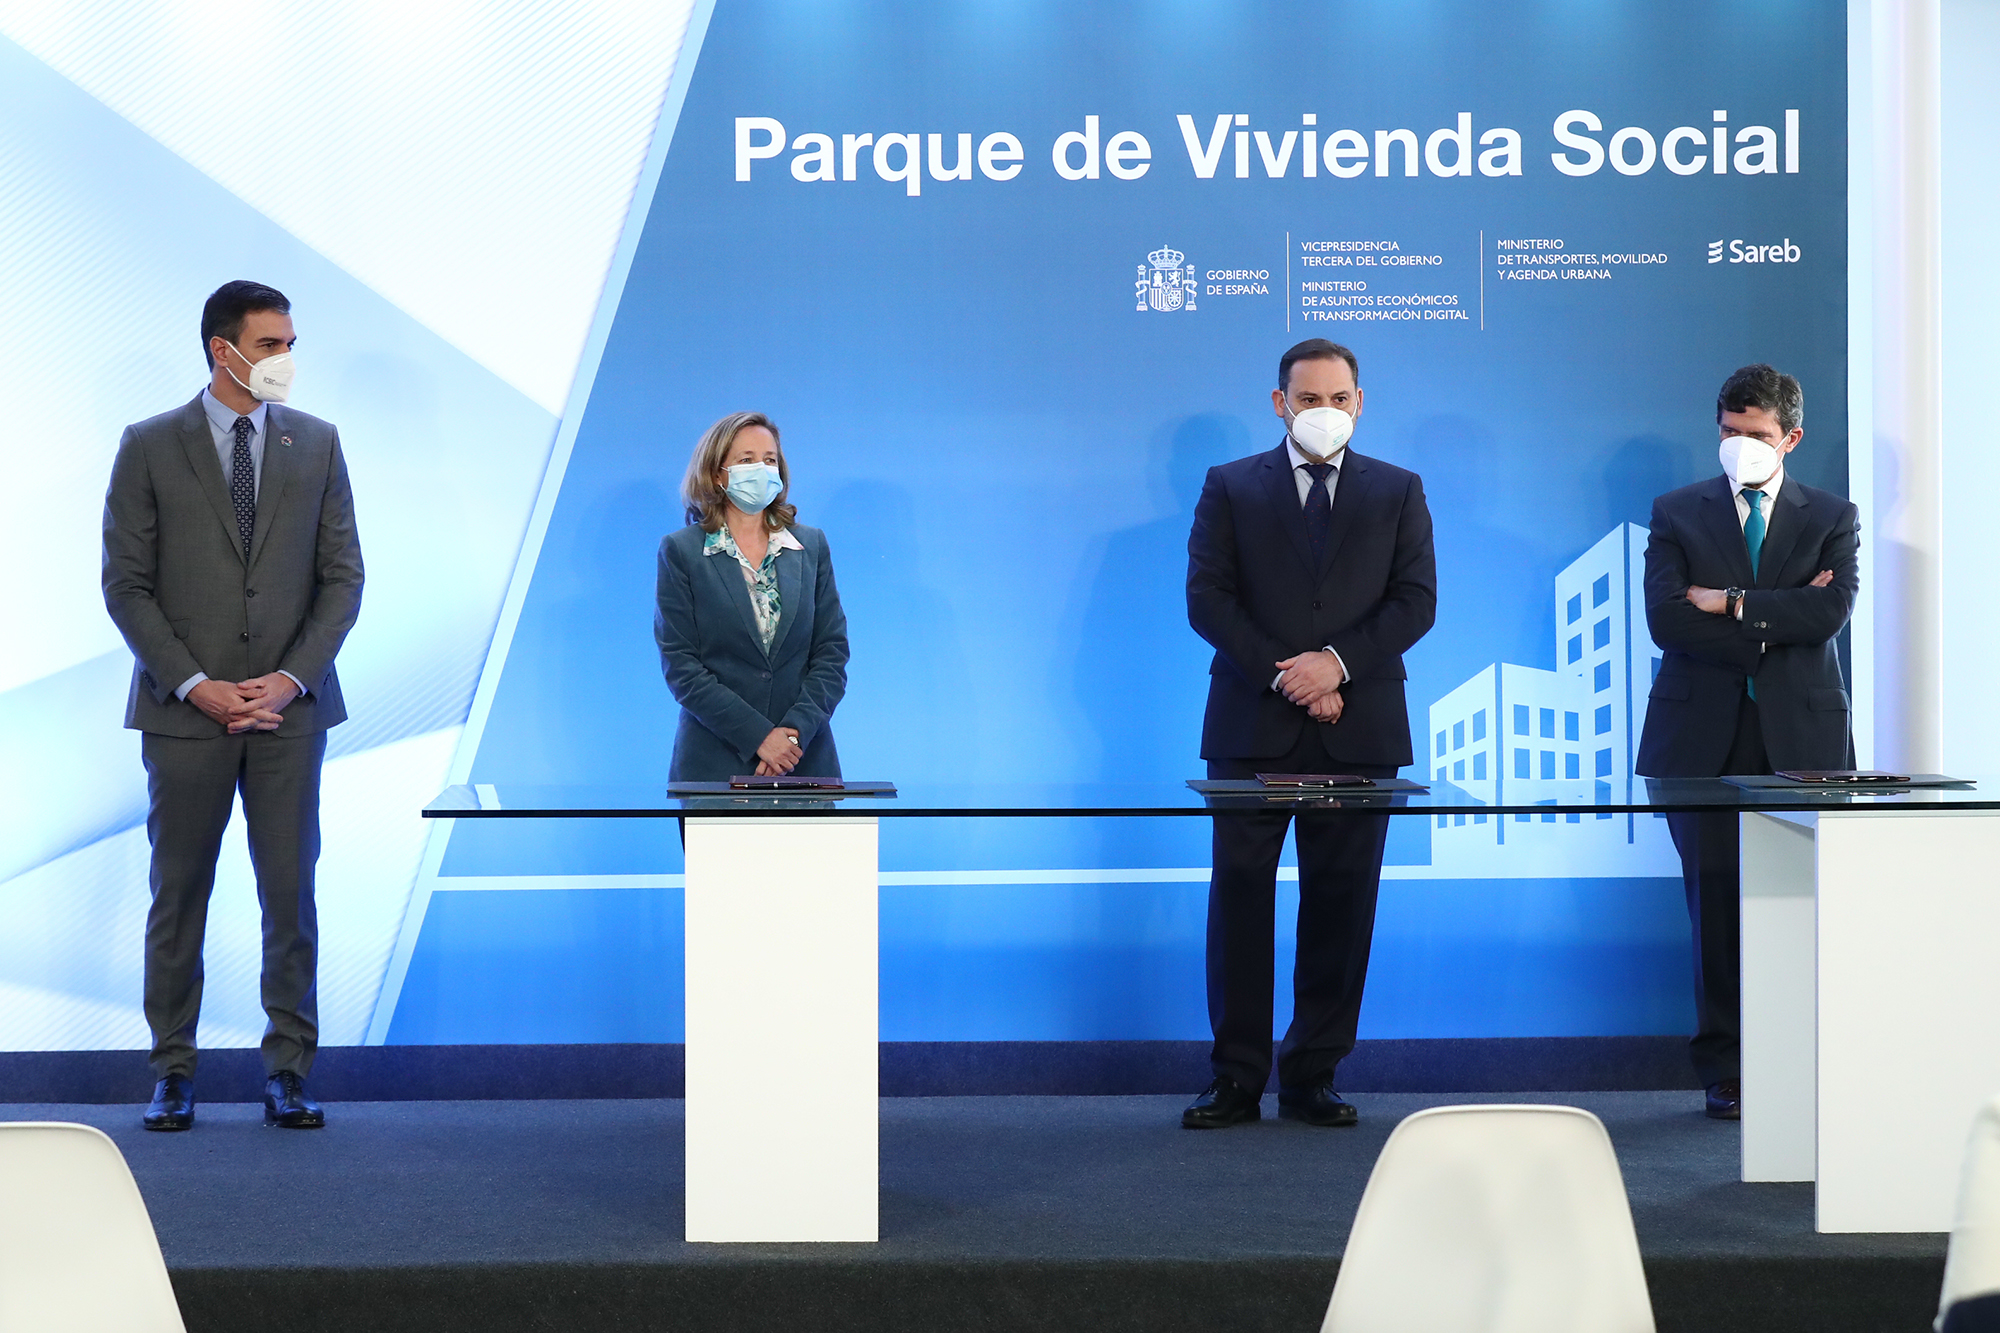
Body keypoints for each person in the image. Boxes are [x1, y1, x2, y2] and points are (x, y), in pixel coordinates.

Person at [102, 280, 364, 1131]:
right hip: (185, 716)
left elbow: (343, 579)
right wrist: (196, 683)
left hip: (290, 715)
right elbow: (127, 585)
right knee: (178, 896)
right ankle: (172, 1069)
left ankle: (288, 1068)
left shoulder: (316, 444)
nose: (287, 358)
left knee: (290, 897)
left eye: (291, 342)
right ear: (227, 350)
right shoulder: (148, 446)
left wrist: (289, 680)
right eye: (274, 344)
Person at [1182, 339, 1437, 1129]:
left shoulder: (1399, 490)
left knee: (1341, 906)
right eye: (1307, 398)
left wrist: (1335, 666)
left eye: (1338, 398)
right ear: (1279, 401)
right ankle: (1236, 1076)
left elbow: (1415, 601)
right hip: (1252, 725)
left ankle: (1313, 1073)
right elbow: (1208, 599)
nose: (1323, 411)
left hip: (1360, 729)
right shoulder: (1230, 486)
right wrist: (1288, 674)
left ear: (1359, 401)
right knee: (1240, 906)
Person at [1636, 363, 1859, 1120]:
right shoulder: (1677, 511)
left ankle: (1807, 1057)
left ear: (1791, 436)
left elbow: (1830, 619)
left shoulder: (1832, 514)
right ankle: (1726, 1067)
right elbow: (1667, 623)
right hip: (1699, 738)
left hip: (1803, 739)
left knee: (1804, 905)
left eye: (1756, 435)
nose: (1740, 447)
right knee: (1717, 909)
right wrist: (1777, 618)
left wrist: (1729, 602)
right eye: (1729, 433)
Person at [654, 412, 849, 782]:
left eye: (769, 460)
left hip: (803, 764)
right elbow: (681, 665)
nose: (761, 468)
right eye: (746, 460)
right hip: (714, 768)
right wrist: (758, 737)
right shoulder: (682, 552)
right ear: (716, 474)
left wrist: (791, 736)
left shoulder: (811, 546)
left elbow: (831, 654)